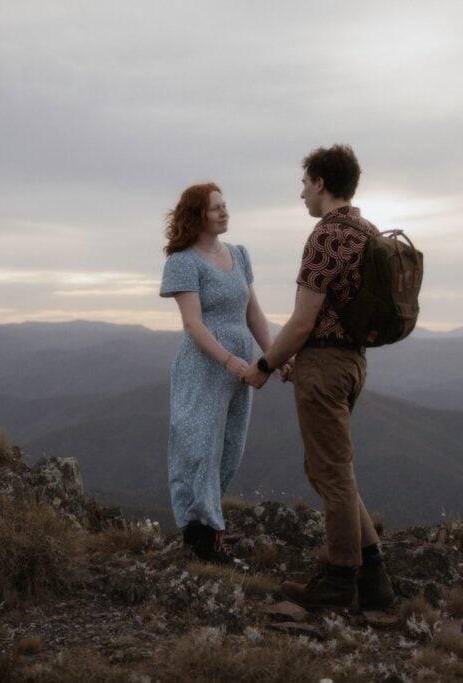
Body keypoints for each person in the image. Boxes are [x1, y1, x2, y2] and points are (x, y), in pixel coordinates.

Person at [242, 144, 395, 610]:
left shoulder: (327, 237)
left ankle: (339, 582)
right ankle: (374, 581)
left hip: (325, 366)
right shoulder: (367, 231)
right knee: (334, 471)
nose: (302, 194)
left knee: (330, 474)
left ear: (322, 184)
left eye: (305, 184)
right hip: (353, 364)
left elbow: (303, 320)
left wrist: (265, 365)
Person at [160, 182, 273, 563]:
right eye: (215, 209)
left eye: (225, 206)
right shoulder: (183, 261)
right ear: (197, 216)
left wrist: (274, 356)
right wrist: (227, 360)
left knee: (230, 449)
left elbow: (253, 313)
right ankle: (206, 534)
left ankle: (201, 529)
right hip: (206, 366)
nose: (224, 212)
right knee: (200, 447)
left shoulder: (239, 255)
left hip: (242, 367)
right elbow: (193, 324)